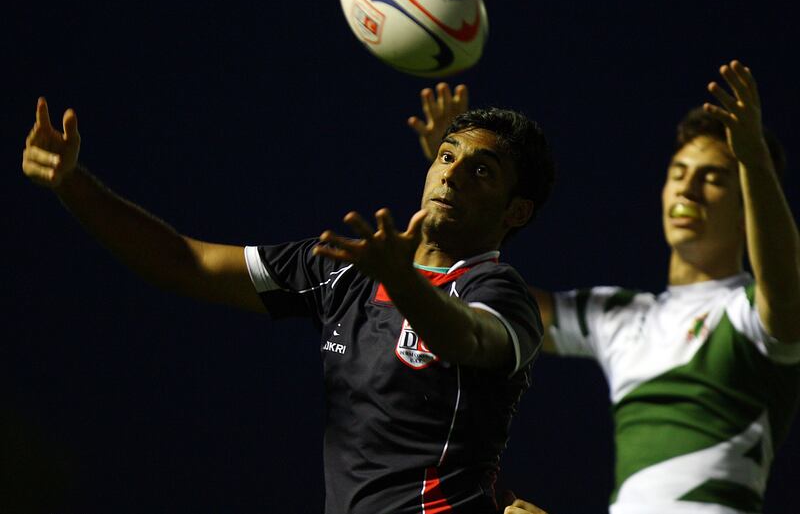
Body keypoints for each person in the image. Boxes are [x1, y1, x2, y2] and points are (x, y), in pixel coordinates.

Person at [22, 97, 555, 512]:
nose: (452, 173)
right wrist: (71, 184)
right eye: (446, 155)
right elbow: (185, 263)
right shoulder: (342, 270)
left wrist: (404, 280)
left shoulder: (497, 293)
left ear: (517, 211)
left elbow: (462, 337)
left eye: (482, 170)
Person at [412, 62, 800, 514]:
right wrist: (457, 188)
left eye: (713, 178)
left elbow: (786, 286)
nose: (687, 190)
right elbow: (482, 307)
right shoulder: (624, 315)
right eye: (678, 173)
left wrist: (754, 160)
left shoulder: (754, 311)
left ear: (747, 205)